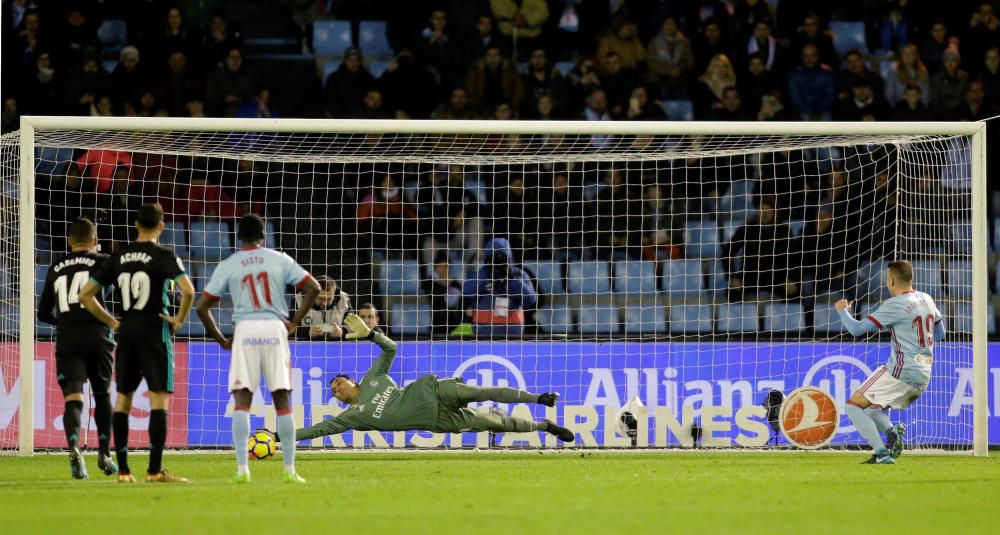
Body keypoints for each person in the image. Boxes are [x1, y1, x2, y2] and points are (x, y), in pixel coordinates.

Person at [282, 313, 574, 444]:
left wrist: (372, 335)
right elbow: (316, 430)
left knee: (484, 390)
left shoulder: (373, 378)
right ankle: (545, 426)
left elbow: (391, 348)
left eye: (339, 384)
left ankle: (539, 398)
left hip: (435, 391)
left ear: (353, 381)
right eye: (334, 391)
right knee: (493, 423)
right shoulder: (350, 418)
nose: (337, 391)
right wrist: (280, 437)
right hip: (438, 421)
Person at [196, 213, 321, 483]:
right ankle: (289, 470)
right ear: (264, 236)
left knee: (242, 401)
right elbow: (313, 287)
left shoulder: (230, 264)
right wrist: (296, 322)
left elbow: (202, 306)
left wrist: (222, 340)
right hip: (275, 328)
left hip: (245, 330)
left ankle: (242, 470)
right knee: (282, 401)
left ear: (238, 237)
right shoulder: (280, 259)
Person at [79, 203, 196, 483]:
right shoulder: (164, 255)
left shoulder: (118, 256)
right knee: (158, 398)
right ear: (161, 226)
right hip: (156, 330)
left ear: (135, 224)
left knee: (123, 399)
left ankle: (123, 471)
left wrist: (112, 321)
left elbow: (86, 295)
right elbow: (189, 291)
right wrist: (178, 320)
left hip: (128, 331)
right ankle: (154, 471)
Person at [835, 260, 946, 464]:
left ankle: (881, 453)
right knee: (872, 409)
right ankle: (892, 432)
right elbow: (941, 333)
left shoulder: (895, 304)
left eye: (887, 280)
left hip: (900, 371)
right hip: (923, 375)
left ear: (892, 280)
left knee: (852, 406)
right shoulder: (926, 299)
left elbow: (857, 330)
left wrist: (842, 310)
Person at [37, 217, 117, 479]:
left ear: (70, 241)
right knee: (102, 395)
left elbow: (42, 312)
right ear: (95, 240)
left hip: (68, 338)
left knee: (73, 398)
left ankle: (74, 446)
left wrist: (64, 321)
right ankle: (104, 453)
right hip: (98, 336)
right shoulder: (103, 261)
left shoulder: (57, 265)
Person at [462, 238, 537, 337]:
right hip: (483, 337)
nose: (498, 263)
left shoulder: (519, 274)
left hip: (513, 337)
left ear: (509, 258)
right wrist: (486, 274)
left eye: (502, 259)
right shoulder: (480, 274)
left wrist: (512, 279)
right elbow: (467, 292)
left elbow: (530, 300)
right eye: (494, 259)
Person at [294, 275, 351, 340]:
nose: (325, 303)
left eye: (329, 299)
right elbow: (287, 328)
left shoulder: (344, 299)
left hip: (337, 346)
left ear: (334, 292)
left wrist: (342, 332)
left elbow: (353, 327)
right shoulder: (298, 300)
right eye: (321, 298)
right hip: (307, 346)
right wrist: (307, 332)